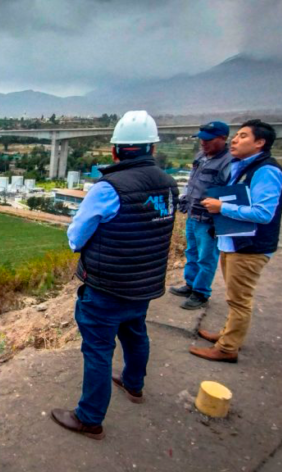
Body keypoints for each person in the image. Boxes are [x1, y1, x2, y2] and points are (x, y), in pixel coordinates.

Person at [51, 111, 179, 440]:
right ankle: (134, 385)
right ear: (151, 147)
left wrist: (76, 246)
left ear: (115, 151)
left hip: (108, 285)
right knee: (135, 333)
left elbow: (77, 235)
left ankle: (90, 418)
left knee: (97, 349)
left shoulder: (109, 188)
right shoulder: (168, 184)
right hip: (144, 282)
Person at [189, 119, 282, 363]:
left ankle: (227, 348)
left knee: (240, 300)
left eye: (243, 136)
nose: (235, 139)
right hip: (234, 240)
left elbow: (264, 213)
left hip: (250, 246)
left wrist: (222, 207)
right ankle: (226, 335)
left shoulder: (266, 171)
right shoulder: (242, 167)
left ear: (260, 143)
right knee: (234, 297)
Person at [169, 122, 233, 310]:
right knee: (192, 252)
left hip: (209, 220)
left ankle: (201, 293)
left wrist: (222, 216)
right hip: (192, 214)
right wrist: (184, 198)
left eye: (208, 140)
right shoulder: (201, 157)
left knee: (207, 257)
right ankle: (190, 284)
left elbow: (230, 193)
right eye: (201, 139)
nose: (203, 143)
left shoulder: (228, 162)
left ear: (223, 138)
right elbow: (192, 182)